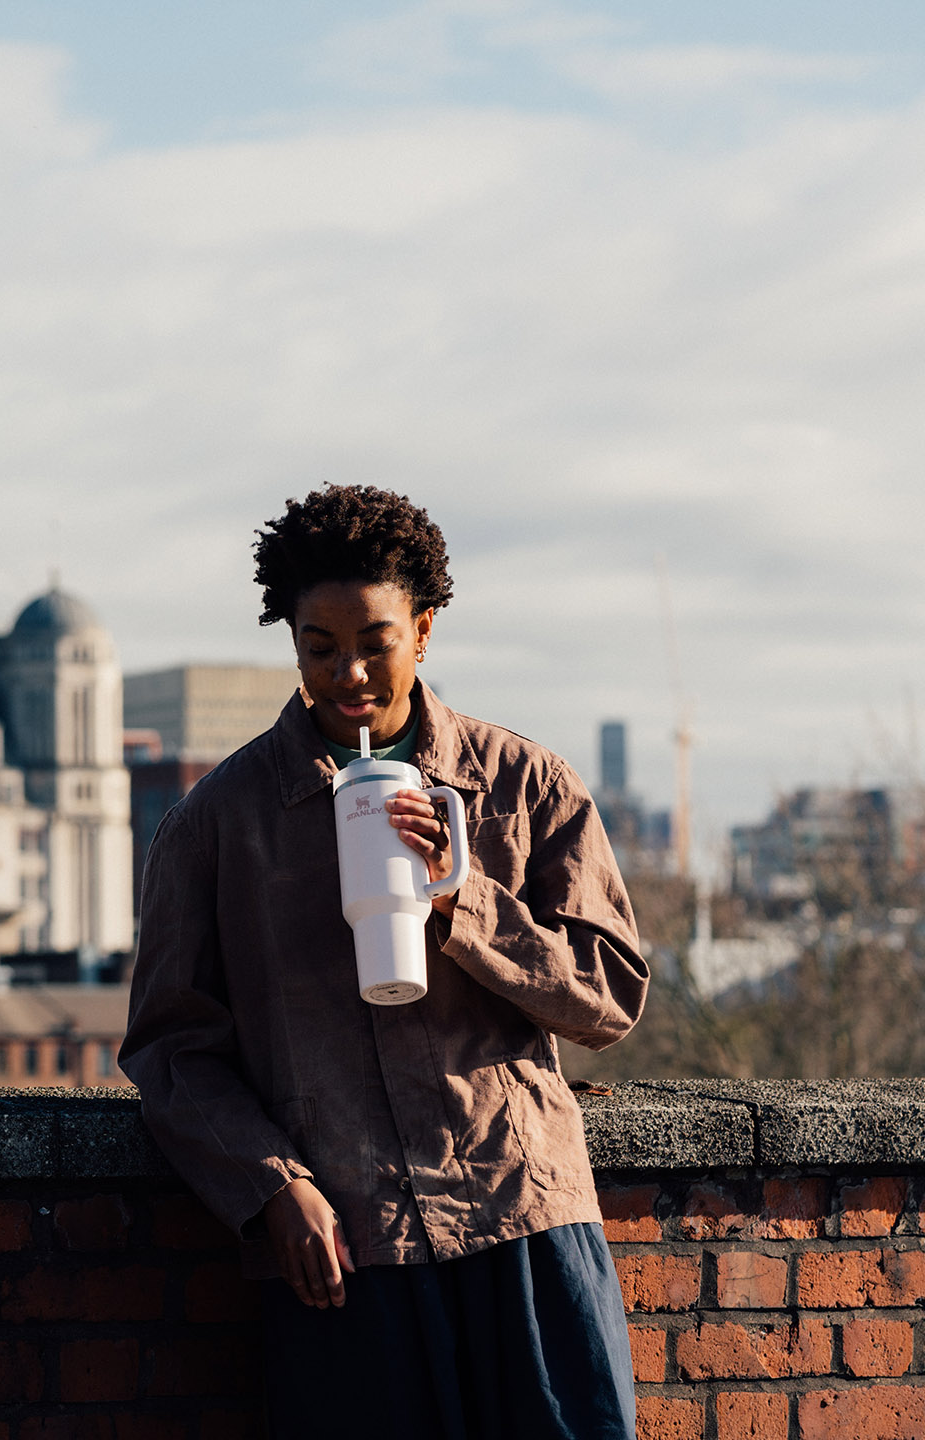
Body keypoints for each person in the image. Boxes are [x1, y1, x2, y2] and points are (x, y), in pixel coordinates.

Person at [121, 484, 648, 1440]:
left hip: (523, 1219)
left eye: (376, 641)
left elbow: (609, 997)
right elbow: (169, 1049)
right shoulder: (217, 825)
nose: (350, 672)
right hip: (348, 1248)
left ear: (426, 630)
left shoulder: (524, 785)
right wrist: (271, 1184)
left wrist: (461, 899)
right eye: (319, 647)